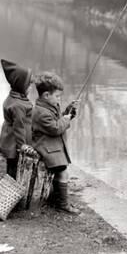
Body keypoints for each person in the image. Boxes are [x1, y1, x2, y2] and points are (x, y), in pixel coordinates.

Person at [32, 71, 80, 214]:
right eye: (57, 96)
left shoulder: (48, 106)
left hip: (51, 144)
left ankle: (54, 198)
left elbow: (58, 119)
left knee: (60, 171)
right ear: (46, 95)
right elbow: (55, 128)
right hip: (45, 146)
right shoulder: (41, 112)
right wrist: (66, 119)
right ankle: (62, 204)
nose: (59, 99)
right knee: (63, 171)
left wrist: (68, 112)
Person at [0, 59, 36, 179]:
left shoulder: (14, 97)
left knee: (12, 166)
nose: (31, 88)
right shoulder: (18, 105)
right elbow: (19, 126)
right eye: (28, 85)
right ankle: (10, 188)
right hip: (14, 142)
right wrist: (22, 146)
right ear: (21, 86)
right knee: (14, 167)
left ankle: (10, 185)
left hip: (9, 138)